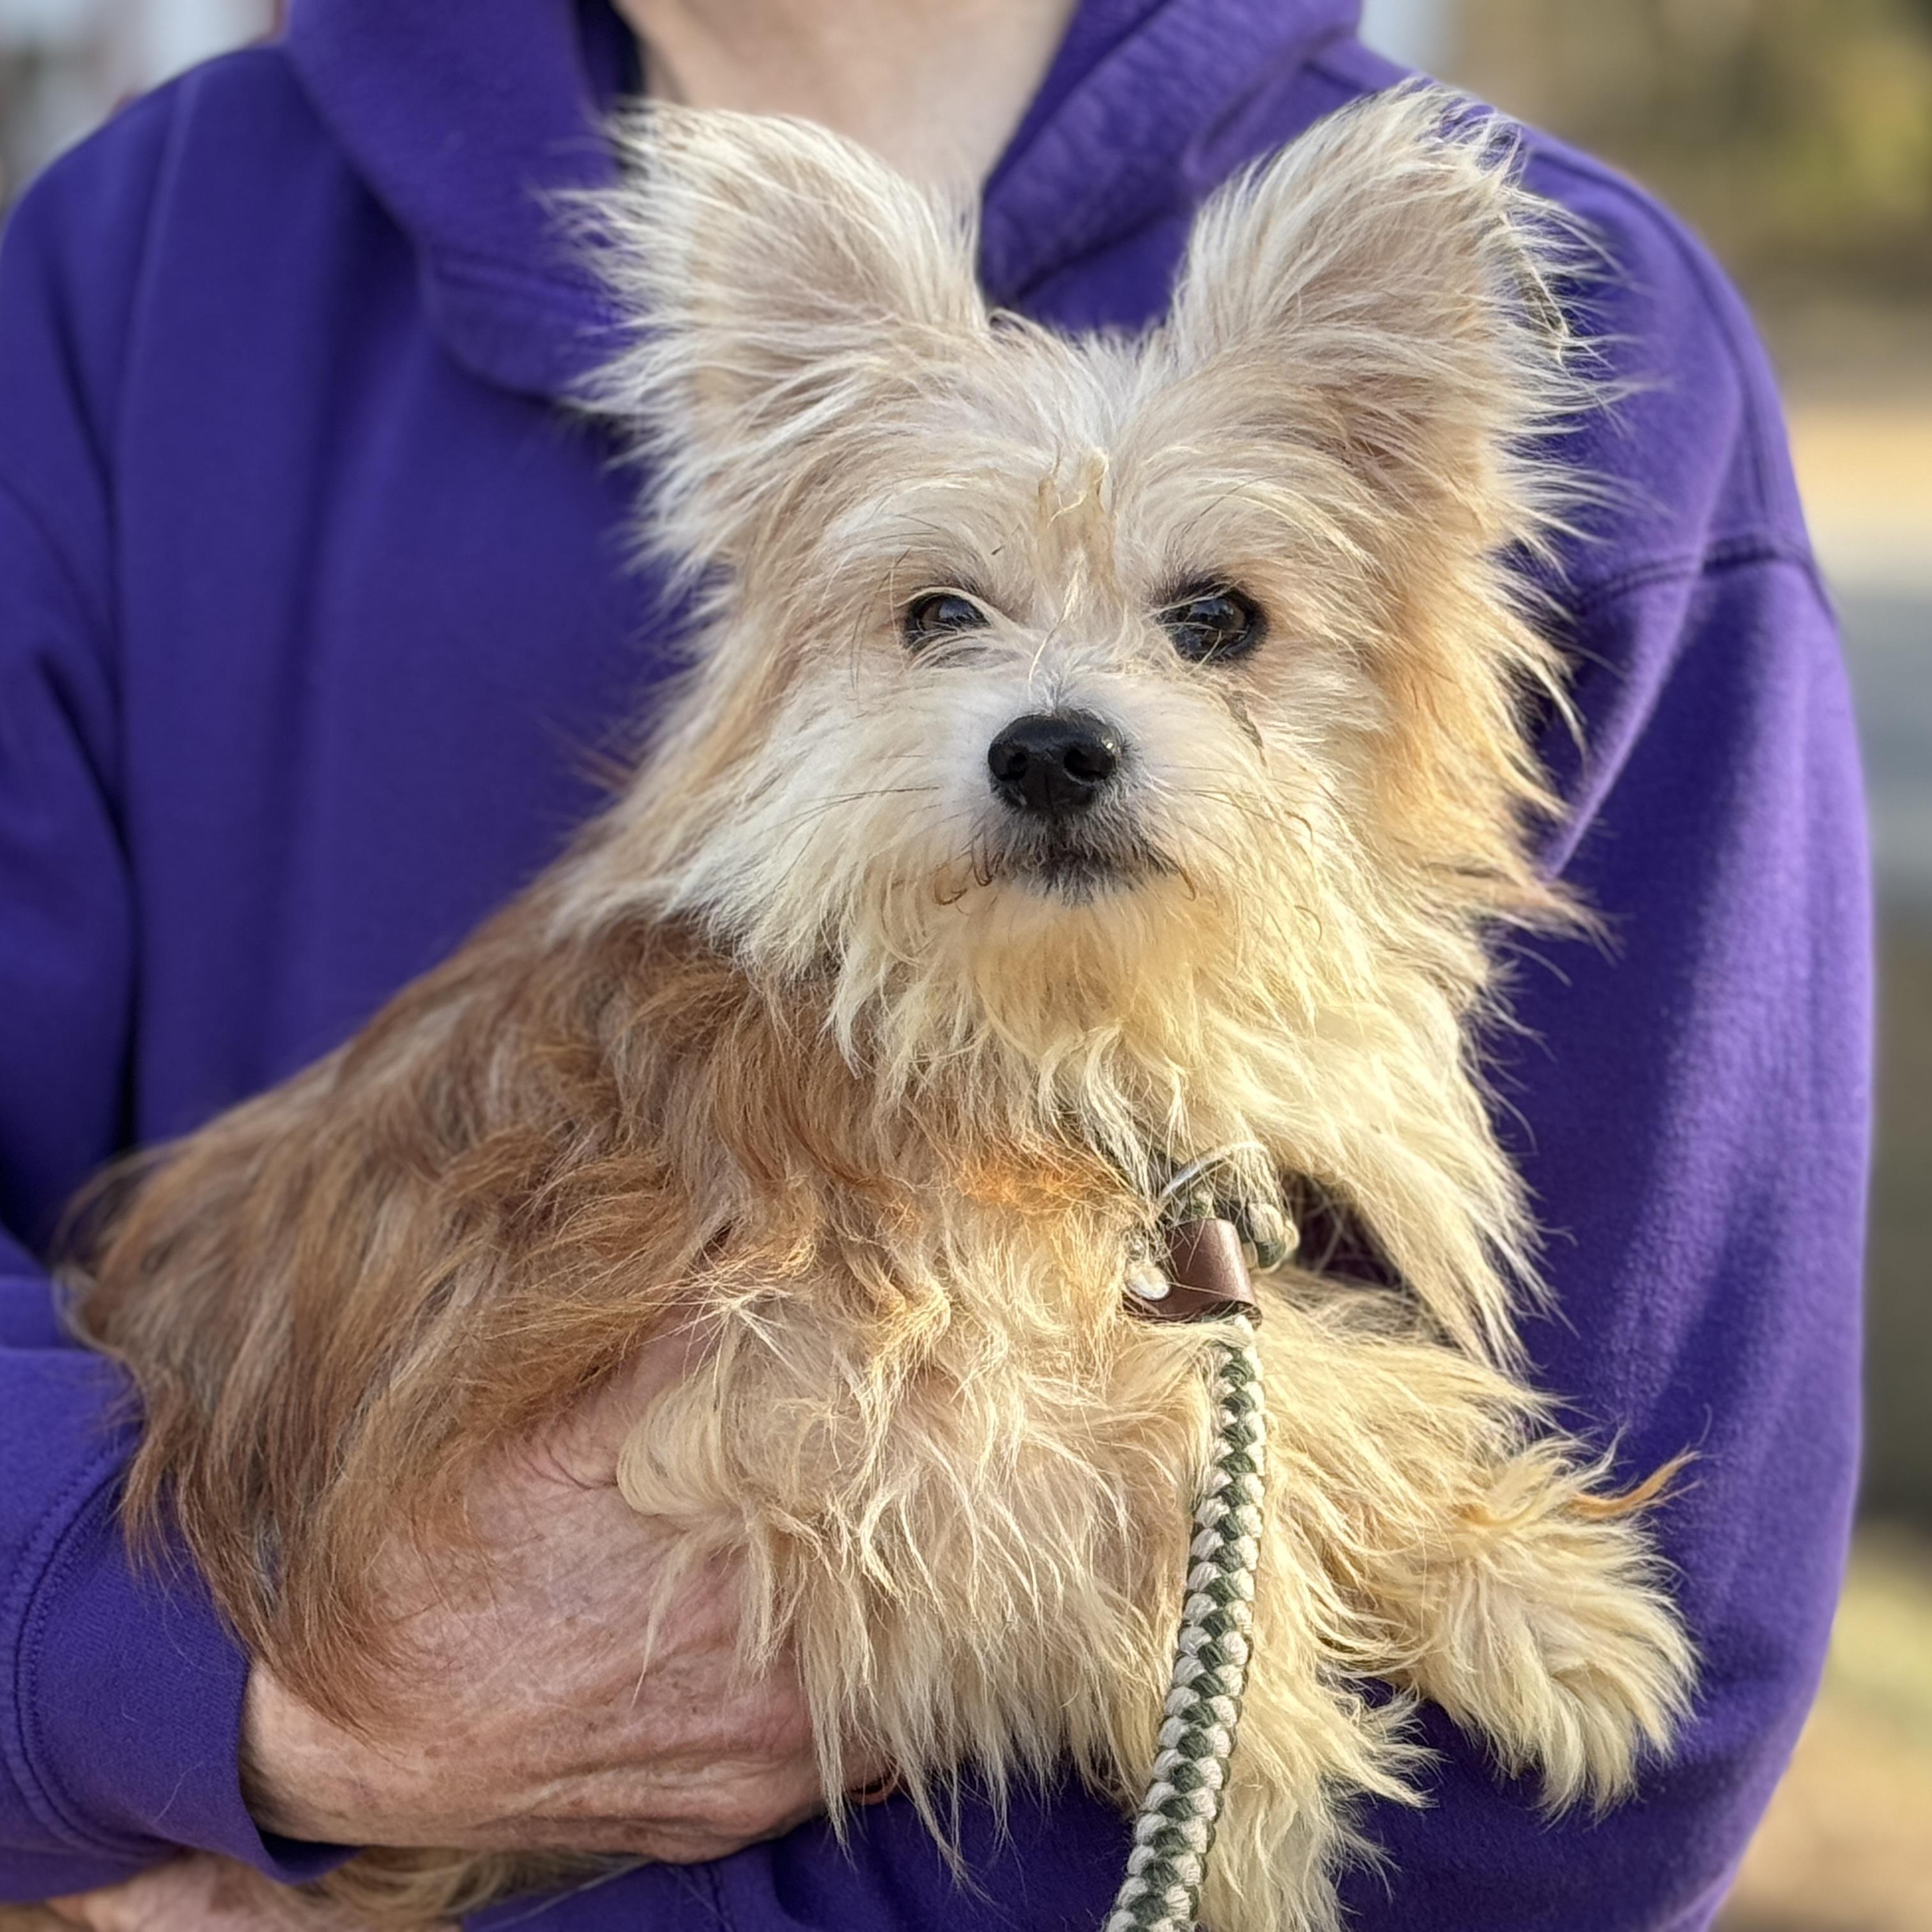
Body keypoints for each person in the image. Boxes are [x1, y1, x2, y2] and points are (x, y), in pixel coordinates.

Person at [0, 1, 1869, 1928]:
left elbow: (1623, 1726)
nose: (1056, 715)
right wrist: (159, 1705)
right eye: (942, 615)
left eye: (1214, 620)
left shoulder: (1630, 336)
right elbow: (893, 1457)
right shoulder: (119, 265)